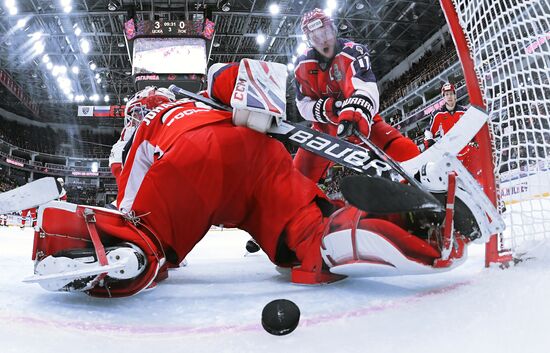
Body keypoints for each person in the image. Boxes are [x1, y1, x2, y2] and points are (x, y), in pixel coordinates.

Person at [29, 60, 483, 298]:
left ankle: (108, 251)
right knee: (309, 236)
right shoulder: (200, 97)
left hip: (192, 161)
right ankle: (411, 230)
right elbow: (232, 80)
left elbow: (131, 182)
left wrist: (137, 226)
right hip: (257, 150)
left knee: (145, 245)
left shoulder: (142, 123)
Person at [293, 8, 420, 183]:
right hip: (324, 130)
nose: (323, 40)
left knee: (409, 155)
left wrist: (355, 111)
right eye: (316, 37)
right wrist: (327, 108)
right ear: (309, 41)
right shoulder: (302, 65)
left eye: (325, 32)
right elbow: (303, 104)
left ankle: (426, 187)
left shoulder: (353, 51)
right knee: (296, 180)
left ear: (334, 29)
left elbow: (367, 88)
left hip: (362, 121)